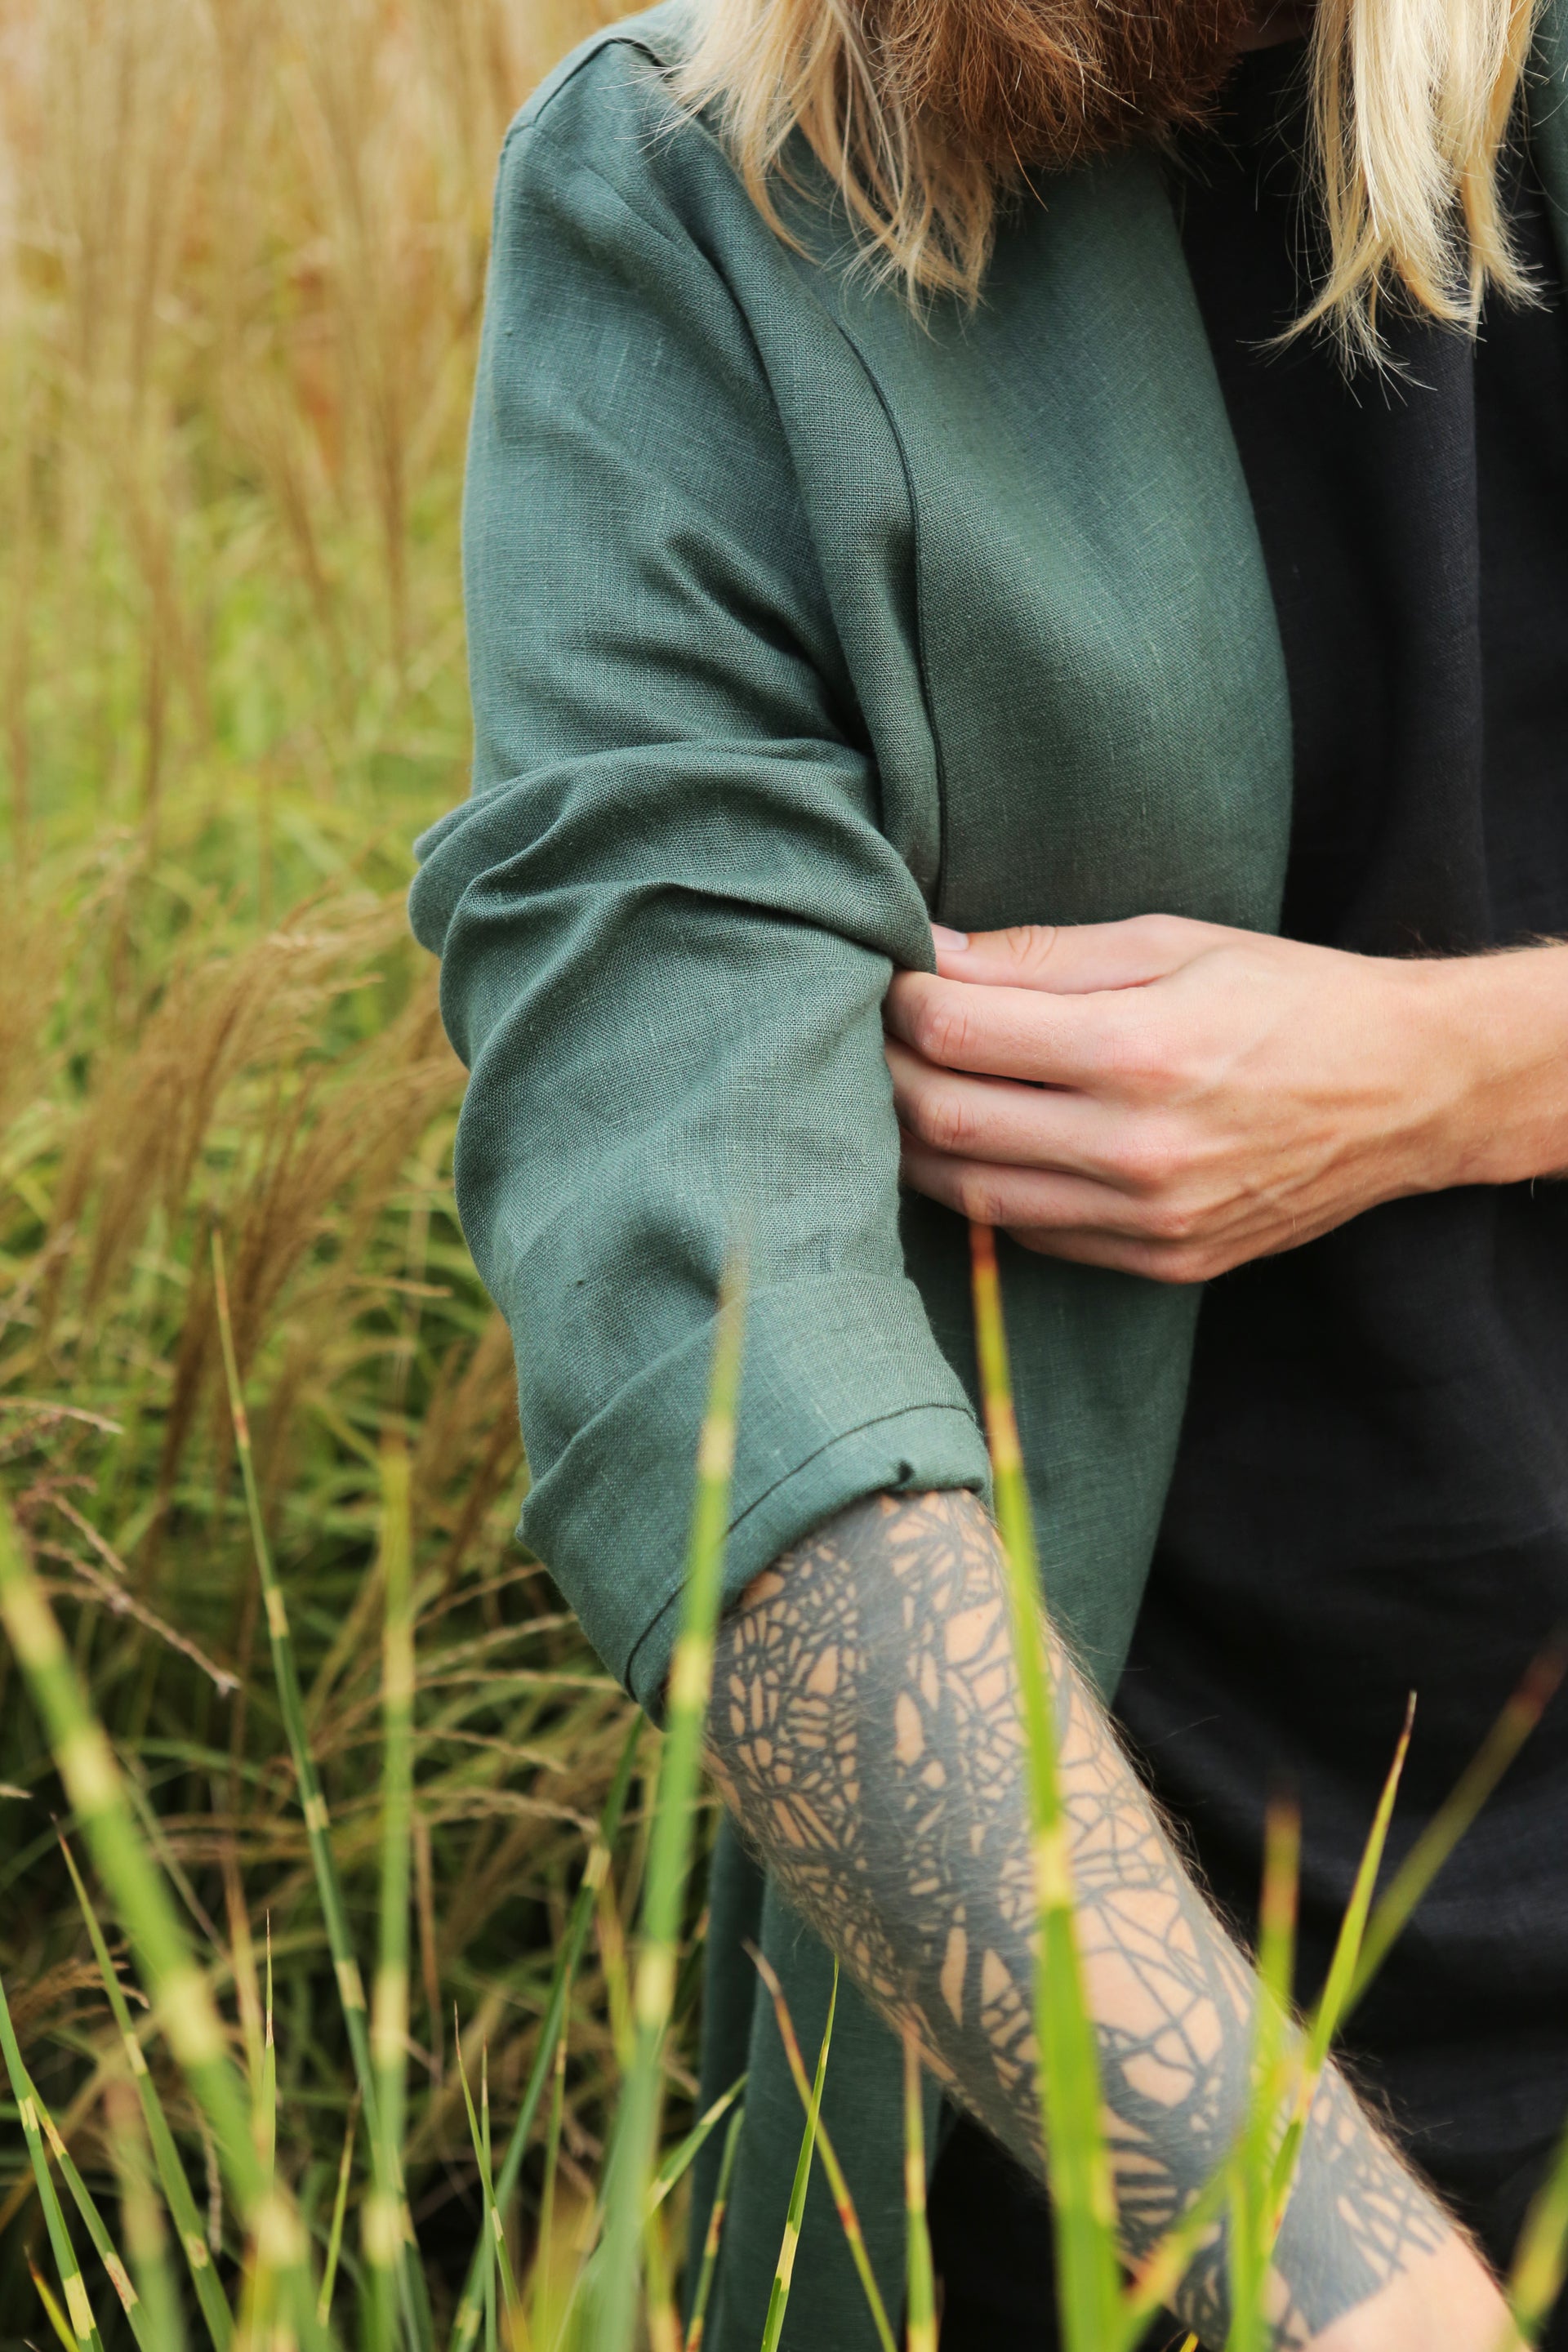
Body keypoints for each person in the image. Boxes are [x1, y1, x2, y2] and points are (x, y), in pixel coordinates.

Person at [408, 0, 1568, 2341]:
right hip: (1083, 2094)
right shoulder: (701, 196)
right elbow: (718, 1348)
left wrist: (1465, 1068)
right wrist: (1323, 2269)